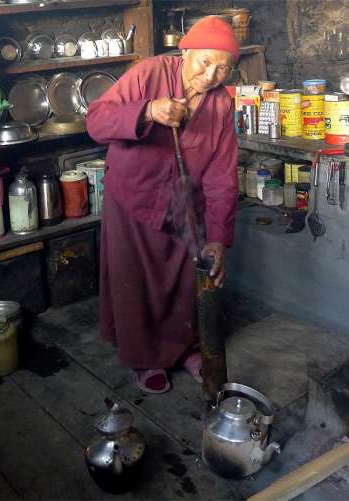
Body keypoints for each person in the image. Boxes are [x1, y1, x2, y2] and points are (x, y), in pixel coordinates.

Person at [86, 17, 239, 394]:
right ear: (185, 52)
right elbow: (96, 121)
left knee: (184, 279)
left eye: (222, 67)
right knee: (135, 278)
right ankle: (144, 357)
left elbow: (222, 175)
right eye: (204, 62)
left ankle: (184, 349)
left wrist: (218, 238)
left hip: (184, 204)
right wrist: (148, 111)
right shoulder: (149, 73)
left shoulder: (220, 105)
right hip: (133, 195)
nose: (211, 74)